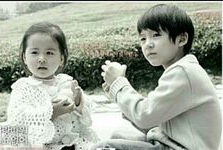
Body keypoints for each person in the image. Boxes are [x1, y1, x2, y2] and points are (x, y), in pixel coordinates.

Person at [92, 4, 222, 150]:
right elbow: (153, 122)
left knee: (104, 147)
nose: (148, 44)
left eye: (156, 35)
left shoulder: (184, 72)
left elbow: (144, 116)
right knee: (119, 134)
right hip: (172, 144)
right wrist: (116, 93)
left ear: (182, 39)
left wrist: (119, 84)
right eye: (143, 39)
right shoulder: (183, 71)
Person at [6, 22, 99, 150]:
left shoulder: (67, 81)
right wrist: (51, 113)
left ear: (61, 58)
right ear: (24, 57)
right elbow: (17, 121)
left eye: (49, 53)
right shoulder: (23, 88)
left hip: (77, 144)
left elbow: (86, 119)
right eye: (34, 52)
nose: (42, 59)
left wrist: (78, 102)